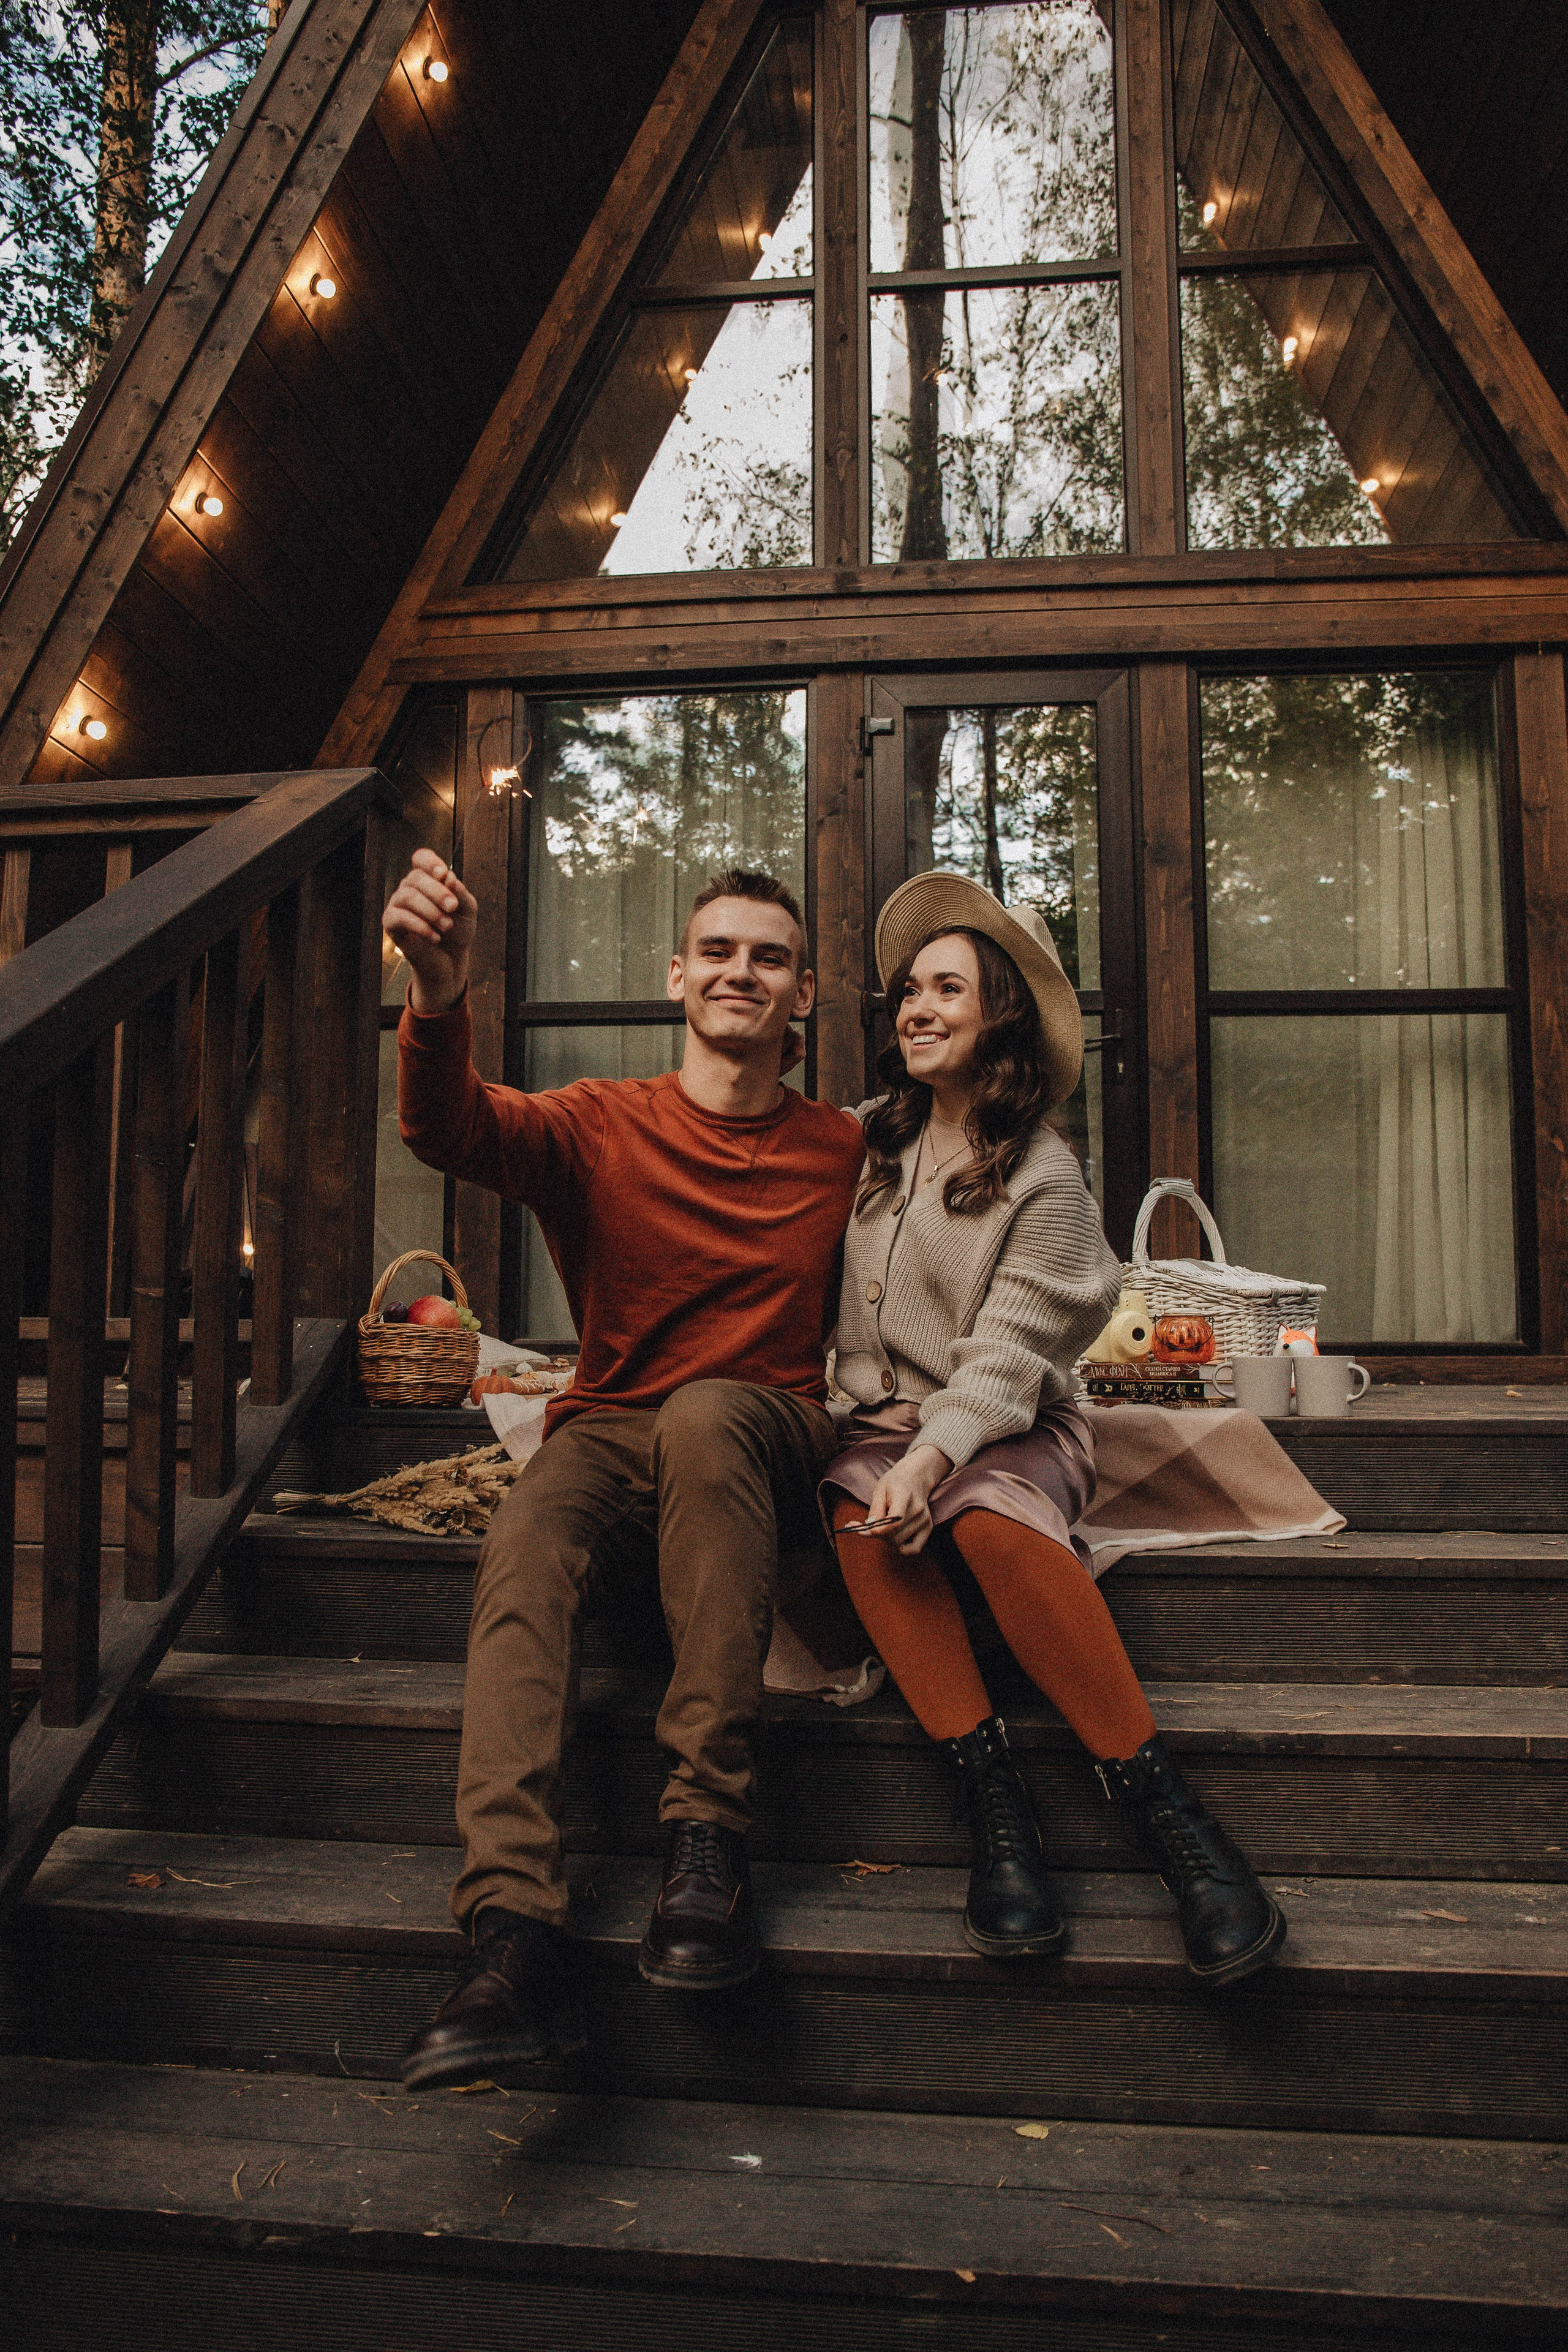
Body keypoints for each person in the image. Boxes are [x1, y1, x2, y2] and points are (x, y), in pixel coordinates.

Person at [382, 849, 865, 2087]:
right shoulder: (599, 1123)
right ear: (677, 977)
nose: (741, 972)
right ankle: (513, 1941)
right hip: (609, 1422)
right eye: (719, 951)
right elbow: (448, 1126)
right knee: (527, 1536)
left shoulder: (845, 1152)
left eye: (769, 958)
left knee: (706, 1414)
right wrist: (439, 991)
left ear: (803, 995)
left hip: (769, 1421)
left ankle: (706, 1841)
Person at [824, 871, 1286, 1986]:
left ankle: (1170, 1819)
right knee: (854, 1511)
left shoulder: (1046, 1176)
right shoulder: (859, 1143)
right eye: (909, 992)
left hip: (1015, 1420)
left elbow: (1007, 1359)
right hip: (874, 1423)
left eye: (947, 989)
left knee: (984, 1519)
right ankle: (997, 1809)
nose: (917, 1008)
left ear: (1001, 1017)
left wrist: (933, 1456)